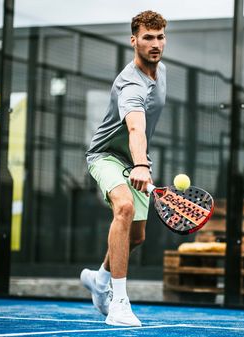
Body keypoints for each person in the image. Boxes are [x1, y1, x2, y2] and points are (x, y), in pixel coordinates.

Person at [80, 10, 167, 327]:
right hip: (106, 156)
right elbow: (135, 129)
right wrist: (142, 164)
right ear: (134, 41)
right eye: (147, 38)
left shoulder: (162, 71)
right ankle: (118, 302)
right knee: (125, 207)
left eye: (159, 37)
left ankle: (100, 280)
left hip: (135, 160)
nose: (155, 44)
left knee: (137, 236)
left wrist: (140, 162)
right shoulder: (131, 84)